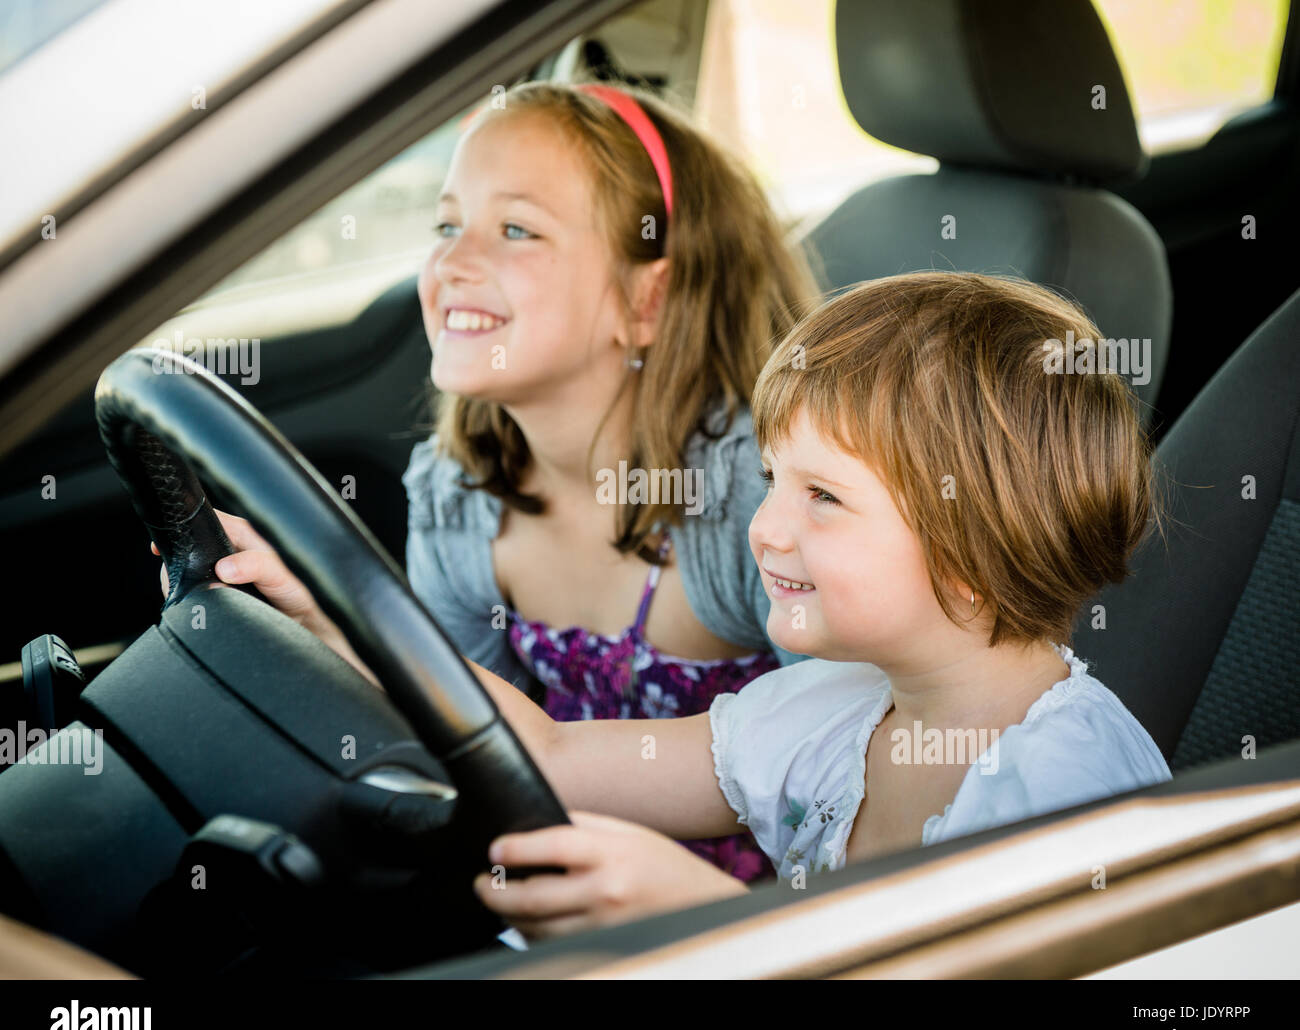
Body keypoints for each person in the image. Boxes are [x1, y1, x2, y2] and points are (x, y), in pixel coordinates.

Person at [177, 272, 1173, 941]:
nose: (764, 527)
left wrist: (715, 916)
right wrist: (327, 609)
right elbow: (555, 756)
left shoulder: (1072, 793)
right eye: (773, 479)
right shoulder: (834, 707)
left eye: (821, 497)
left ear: (970, 556)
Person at [158, 80, 822, 885]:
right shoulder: (460, 499)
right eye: (446, 224)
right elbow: (468, 739)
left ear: (647, 298)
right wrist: (329, 618)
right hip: (549, 872)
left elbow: (847, 770)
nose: (452, 261)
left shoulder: (753, 500)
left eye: (516, 229)